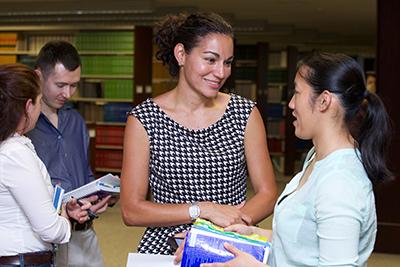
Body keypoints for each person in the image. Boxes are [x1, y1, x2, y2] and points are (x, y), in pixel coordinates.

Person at [198, 51, 392, 267]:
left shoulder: (339, 183)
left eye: (297, 93)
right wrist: (255, 234)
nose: (290, 104)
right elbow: (305, 245)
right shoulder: (318, 159)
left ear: (324, 101)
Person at [120, 12, 278, 255]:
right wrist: (201, 210)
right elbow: (131, 210)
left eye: (227, 62)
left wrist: (228, 226)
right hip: (168, 248)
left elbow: (267, 192)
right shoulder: (144, 119)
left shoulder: (244, 113)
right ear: (181, 54)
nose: (221, 72)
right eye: (211, 59)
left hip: (229, 243)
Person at [26, 41, 111, 267]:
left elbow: (84, 173)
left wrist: (100, 196)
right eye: (61, 85)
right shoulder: (24, 127)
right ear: (38, 76)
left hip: (85, 234)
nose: (68, 93)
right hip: (46, 239)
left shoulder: (76, 121)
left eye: (74, 85)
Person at [0, 63, 91, 267]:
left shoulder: (8, 148)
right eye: (39, 100)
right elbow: (49, 229)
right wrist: (65, 222)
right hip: (23, 259)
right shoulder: (15, 153)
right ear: (28, 106)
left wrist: (64, 211)